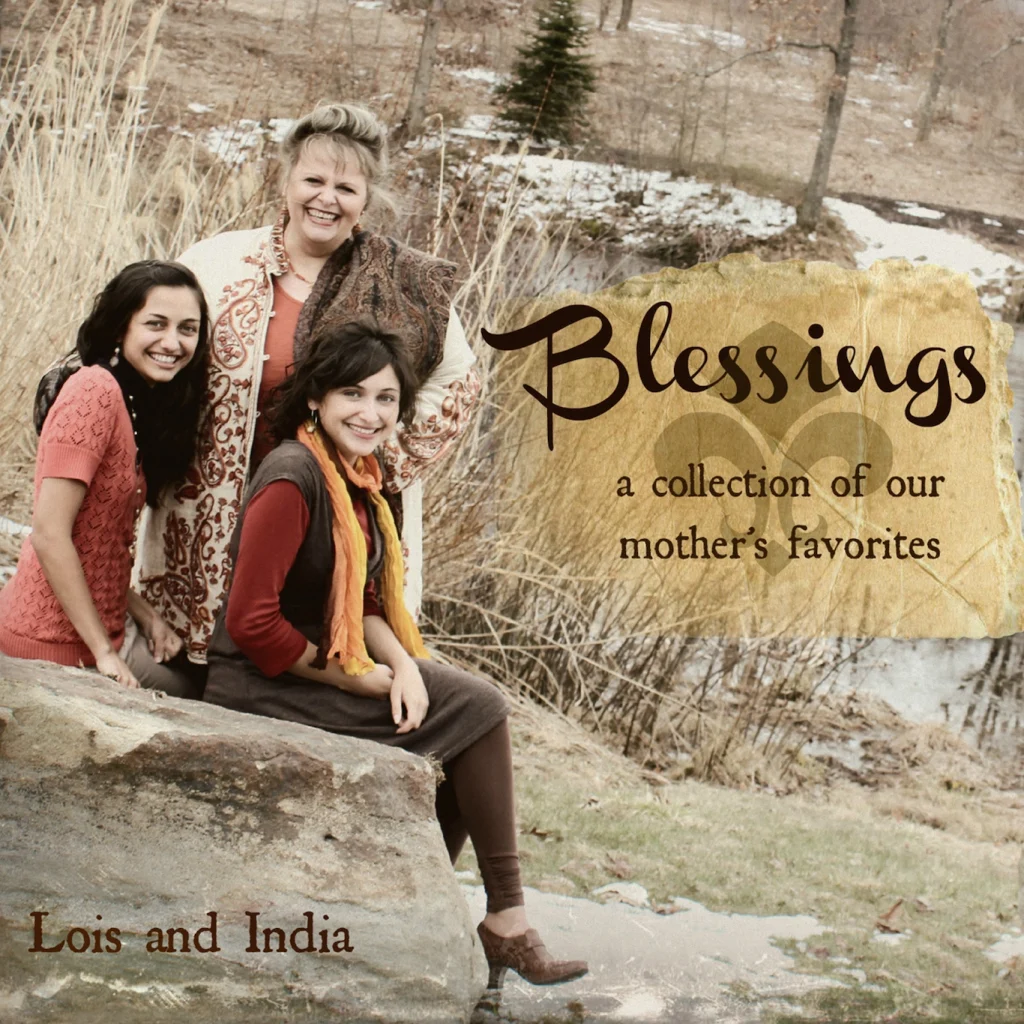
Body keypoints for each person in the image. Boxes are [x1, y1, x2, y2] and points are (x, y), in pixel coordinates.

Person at [204, 321, 588, 988]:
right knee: (478, 711)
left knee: (467, 713)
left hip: (321, 665)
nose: (371, 413)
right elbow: (253, 623)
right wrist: (358, 682)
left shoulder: (358, 479)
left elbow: (371, 604)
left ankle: (448, 912)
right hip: (260, 682)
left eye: (386, 400)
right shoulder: (294, 477)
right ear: (317, 397)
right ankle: (496, 921)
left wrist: (404, 667)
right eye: (353, 394)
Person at [135, 102, 480, 667]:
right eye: (313, 180)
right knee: (202, 657)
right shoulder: (218, 263)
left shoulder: (402, 286)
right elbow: (149, 330)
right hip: (212, 500)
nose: (326, 198)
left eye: (345, 187)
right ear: (287, 181)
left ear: (367, 198)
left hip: (325, 513)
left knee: (310, 657)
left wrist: (374, 447)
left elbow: (460, 381)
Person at [0, 262, 210, 696]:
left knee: (199, 679)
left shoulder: (133, 400)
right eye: (156, 324)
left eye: (188, 329)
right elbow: (49, 534)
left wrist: (146, 616)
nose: (173, 342)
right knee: (194, 696)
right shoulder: (92, 392)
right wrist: (104, 655)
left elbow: (95, 547)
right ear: (120, 328)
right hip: (52, 642)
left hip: (103, 630)